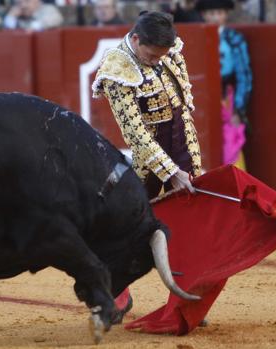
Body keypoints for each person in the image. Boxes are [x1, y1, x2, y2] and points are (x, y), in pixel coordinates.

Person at [92, 10, 202, 322]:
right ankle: (112, 290)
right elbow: (136, 134)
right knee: (130, 227)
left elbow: (182, 109)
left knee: (190, 224)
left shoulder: (170, 49)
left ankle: (187, 298)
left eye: (161, 55)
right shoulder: (116, 67)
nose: (156, 60)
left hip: (182, 143)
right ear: (136, 39)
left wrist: (190, 161)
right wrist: (171, 172)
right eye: (152, 55)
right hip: (147, 159)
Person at [196, 0, 252, 169]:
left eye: (220, 13)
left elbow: (244, 75)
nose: (216, 17)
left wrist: (239, 109)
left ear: (226, 14)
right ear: (204, 15)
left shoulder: (234, 39)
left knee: (230, 143)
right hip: (201, 100)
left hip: (225, 99)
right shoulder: (195, 38)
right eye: (212, 13)